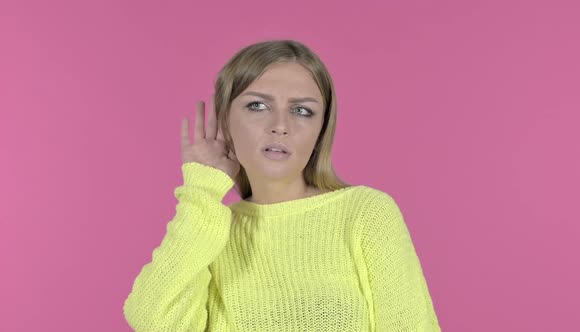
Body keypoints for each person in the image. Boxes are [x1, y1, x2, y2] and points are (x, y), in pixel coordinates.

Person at [123, 39, 441, 331]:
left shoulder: (365, 213)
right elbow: (153, 320)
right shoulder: (209, 230)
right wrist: (202, 189)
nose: (280, 126)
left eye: (302, 111)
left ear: (320, 129)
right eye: (258, 106)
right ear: (224, 121)